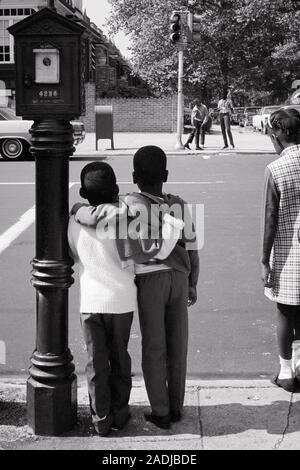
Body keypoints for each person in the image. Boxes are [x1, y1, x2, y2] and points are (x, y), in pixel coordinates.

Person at [73, 146, 200, 430]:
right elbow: (192, 248)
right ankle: (176, 406)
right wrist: (192, 283)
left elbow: (97, 216)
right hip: (179, 279)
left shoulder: (128, 203)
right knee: (178, 345)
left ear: (133, 176)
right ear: (166, 174)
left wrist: (78, 209)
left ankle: (161, 411)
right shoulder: (180, 203)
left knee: (154, 346)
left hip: (149, 280)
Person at [261, 108, 300, 392]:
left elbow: (270, 219)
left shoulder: (276, 169)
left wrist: (265, 260)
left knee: (286, 313)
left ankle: (286, 373)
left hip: (289, 255)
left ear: (279, 135)